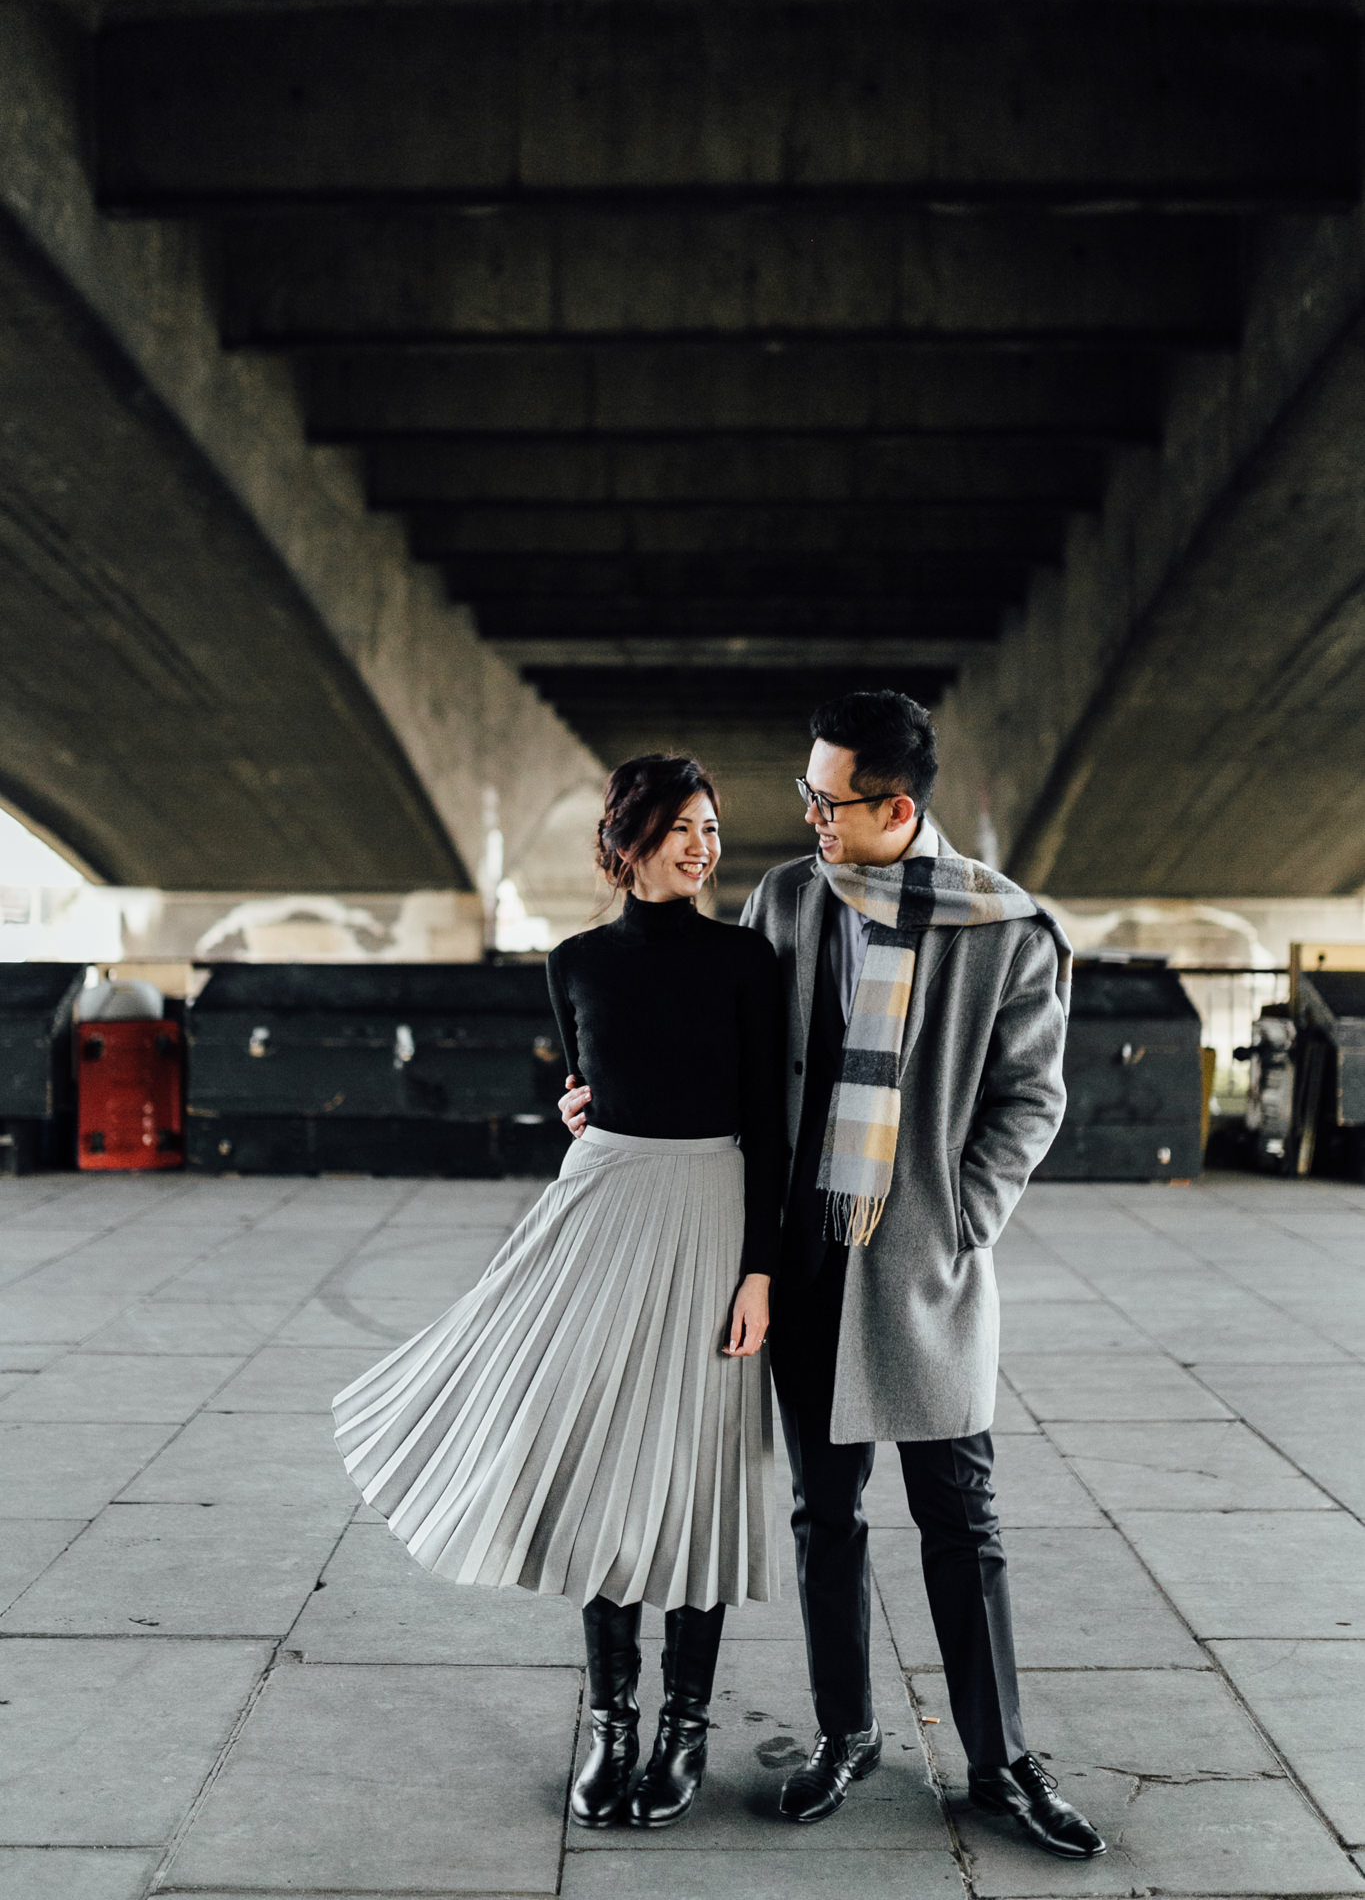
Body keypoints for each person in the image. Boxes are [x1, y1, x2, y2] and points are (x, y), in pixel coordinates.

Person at [561, 692, 1105, 1863]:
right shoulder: (789, 899)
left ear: (897, 806)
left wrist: (963, 1220)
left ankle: (1001, 1758)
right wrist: (612, 1101)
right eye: (808, 793)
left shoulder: (1007, 927)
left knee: (962, 1512)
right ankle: (845, 1731)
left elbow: (1031, 1096)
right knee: (825, 1515)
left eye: (829, 799)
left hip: (924, 1266)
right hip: (805, 1264)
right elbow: (735, 1062)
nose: (807, 814)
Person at [334, 753, 782, 1833]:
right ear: (625, 839)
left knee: (700, 1473)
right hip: (598, 1212)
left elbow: (773, 1120)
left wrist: (761, 1266)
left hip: (714, 1211)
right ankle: (611, 1725)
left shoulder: (748, 961)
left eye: (710, 826)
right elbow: (588, 1081)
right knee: (600, 1471)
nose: (700, 843)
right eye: (679, 825)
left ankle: (684, 1729)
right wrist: (577, 1107)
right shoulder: (571, 959)